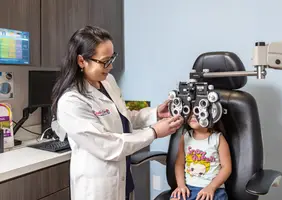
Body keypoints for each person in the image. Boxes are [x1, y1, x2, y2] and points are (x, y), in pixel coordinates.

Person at [51, 25, 184, 200]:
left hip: (122, 175)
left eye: (112, 58)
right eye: (105, 61)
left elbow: (123, 117)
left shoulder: (108, 81)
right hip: (98, 186)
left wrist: (155, 114)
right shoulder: (71, 101)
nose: (111, 66)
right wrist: (154, 132)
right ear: (82, 61)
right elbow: (108, 145)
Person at [170, 114, 232, 200]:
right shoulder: (185, 137)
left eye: (197, 111)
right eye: (190, 112)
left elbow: (227, 168)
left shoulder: (218, 138)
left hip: (213, 189)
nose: (192, 115)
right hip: (188, 188)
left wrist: (211, 187)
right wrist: (181, 185)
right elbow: (179, 164)